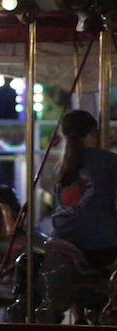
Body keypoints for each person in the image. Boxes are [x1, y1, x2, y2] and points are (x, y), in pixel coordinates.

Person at [50, 109, 117, 268]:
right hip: (99, 246)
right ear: (93, 132)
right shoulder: (108, 161)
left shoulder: (59, 168)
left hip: (61, 243)